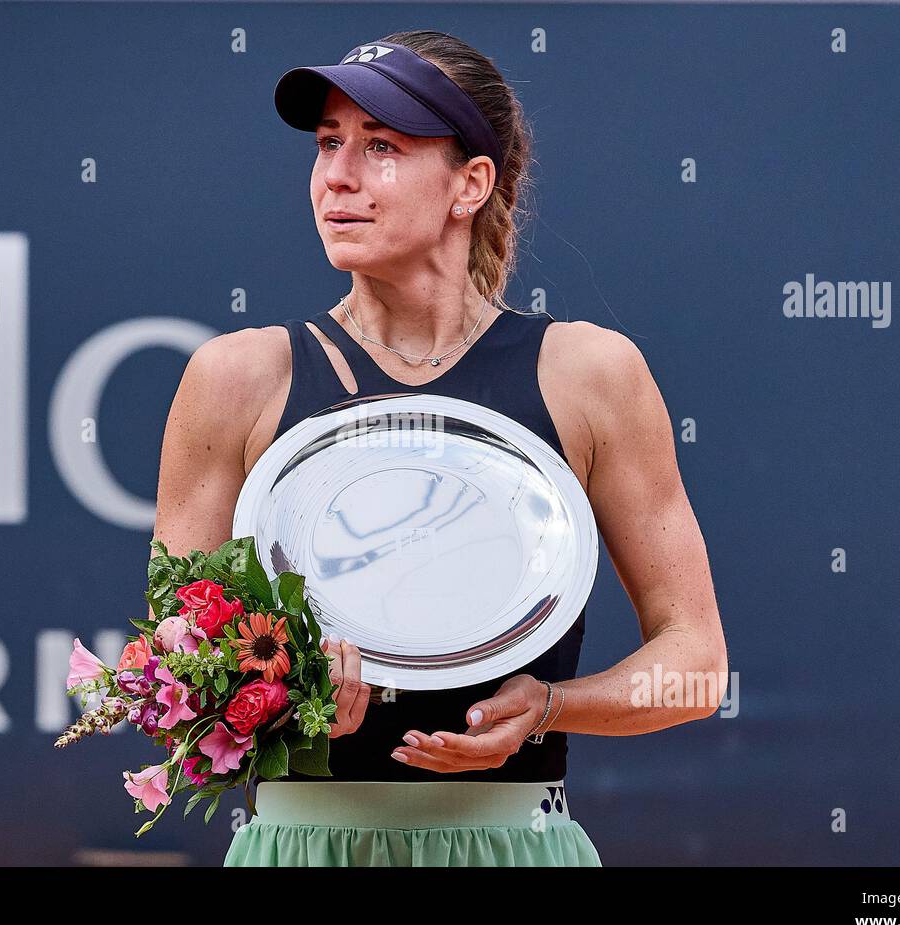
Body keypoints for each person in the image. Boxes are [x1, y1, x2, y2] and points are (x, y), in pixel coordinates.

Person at [152, 30, 728, 866]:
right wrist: (291, 700)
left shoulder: (592, 373)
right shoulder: (233, 377)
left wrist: (553, 706)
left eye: (380, 146)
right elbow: (174, 677)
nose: (338, 176)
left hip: (516, 845)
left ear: (471, 183)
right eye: (327, 144)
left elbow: (697, 663)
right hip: (296, 847)